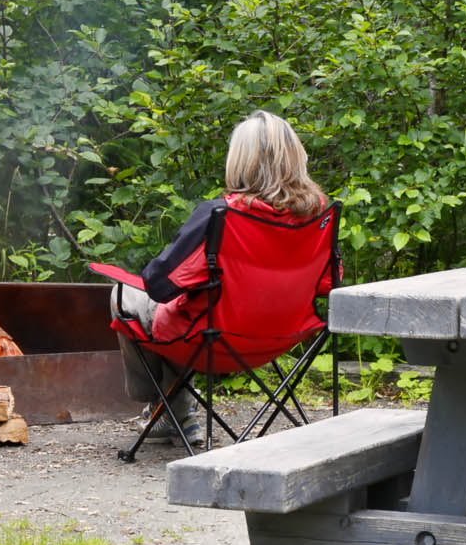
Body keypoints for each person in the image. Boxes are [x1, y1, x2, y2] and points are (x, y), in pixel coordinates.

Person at [108, 110, 333, 448]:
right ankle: (176, 414)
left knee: (125, 295)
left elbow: (160, 284)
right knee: (183, 311)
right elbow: (330, 283)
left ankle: (163, 407)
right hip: (282, 337)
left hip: (214, 340)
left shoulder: (220, 215)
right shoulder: (319, 216)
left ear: (240, 161)